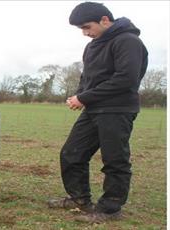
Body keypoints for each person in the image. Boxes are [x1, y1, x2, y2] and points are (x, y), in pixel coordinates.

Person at [48, 2, 148, 223]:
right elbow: (88, 77)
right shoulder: (93, 45)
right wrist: (79, 95)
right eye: (81, 30)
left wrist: (84, 97)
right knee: (71, 153)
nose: (85, 33)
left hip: (117, 109)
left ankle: (111, 209)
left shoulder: (128, 41)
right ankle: (79, 199)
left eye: (87, 27)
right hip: (94, 109)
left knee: (114, 160)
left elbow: (126, 79)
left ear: (105, 20)